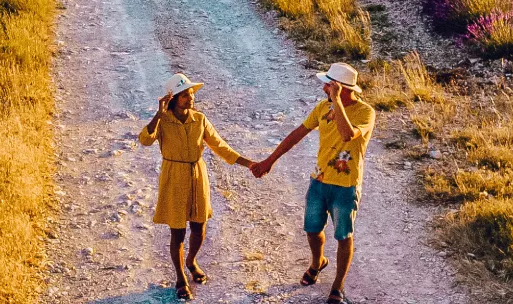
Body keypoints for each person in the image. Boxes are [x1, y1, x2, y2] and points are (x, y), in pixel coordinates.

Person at [251, 63, 375, 304]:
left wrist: (337, 101)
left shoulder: (365, 112)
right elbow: (297, 133)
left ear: (340, 88)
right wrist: (270, 160)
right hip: (319, 180)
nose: (324, 87)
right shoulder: (322, 107)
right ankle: (317, 262)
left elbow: (348, 135)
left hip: (346, 185)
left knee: (343, 236)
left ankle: (337, 286)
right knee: (312, 230)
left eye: (328, 84)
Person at [140, 73, 257, 300]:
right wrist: (158, 114)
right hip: (174, 176)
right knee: (177, 230)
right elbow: (145, 139)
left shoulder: (200, 119)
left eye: (191, 94)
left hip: (197, 174)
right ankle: (180, 277)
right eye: (184, 95)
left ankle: (192, 260)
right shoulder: (163, 121)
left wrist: (248, 163)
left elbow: (221, 147)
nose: (190, 98)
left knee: (199, 225)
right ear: (173, 99)